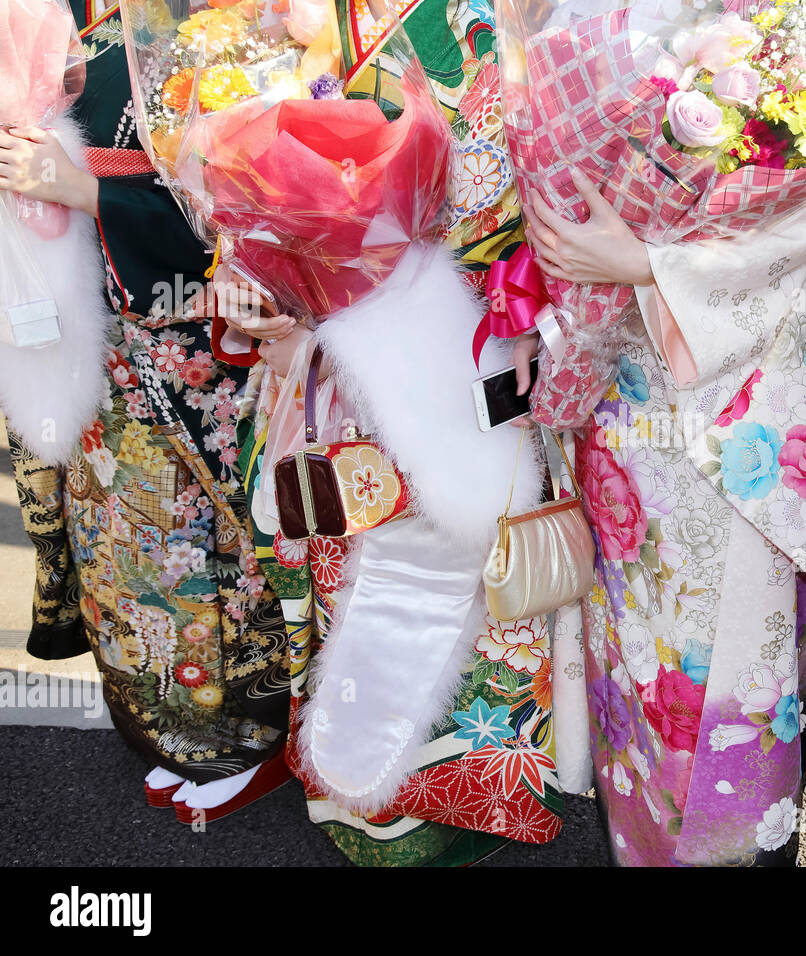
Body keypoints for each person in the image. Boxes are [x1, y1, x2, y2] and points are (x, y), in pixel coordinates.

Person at [214, 0, 564, 866]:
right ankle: (362, 798)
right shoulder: (295, 22)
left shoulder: (499, 24)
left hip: (469, 335)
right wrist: (258, 286)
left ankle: (471, 795)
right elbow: (252, 196)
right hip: (338, 355)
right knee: (348, 555)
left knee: (472, 566)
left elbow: (527, 192)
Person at [1, 1, 290, 820]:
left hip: (190, 346)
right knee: (119, 554)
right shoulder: (90, 31)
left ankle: (247, 737)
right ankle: (163, 729)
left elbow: (245, 214)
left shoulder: (232, 34)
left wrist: (82, 189)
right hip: (102, 342)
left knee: (201, 559)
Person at [519, 161, 806, 864]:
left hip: (732, 396)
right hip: (619, 379)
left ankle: (732, 839)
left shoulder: (792, 74)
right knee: (631, 625)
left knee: (722, 625)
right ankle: (638, 837)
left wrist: (652, 264)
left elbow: (796, 214)